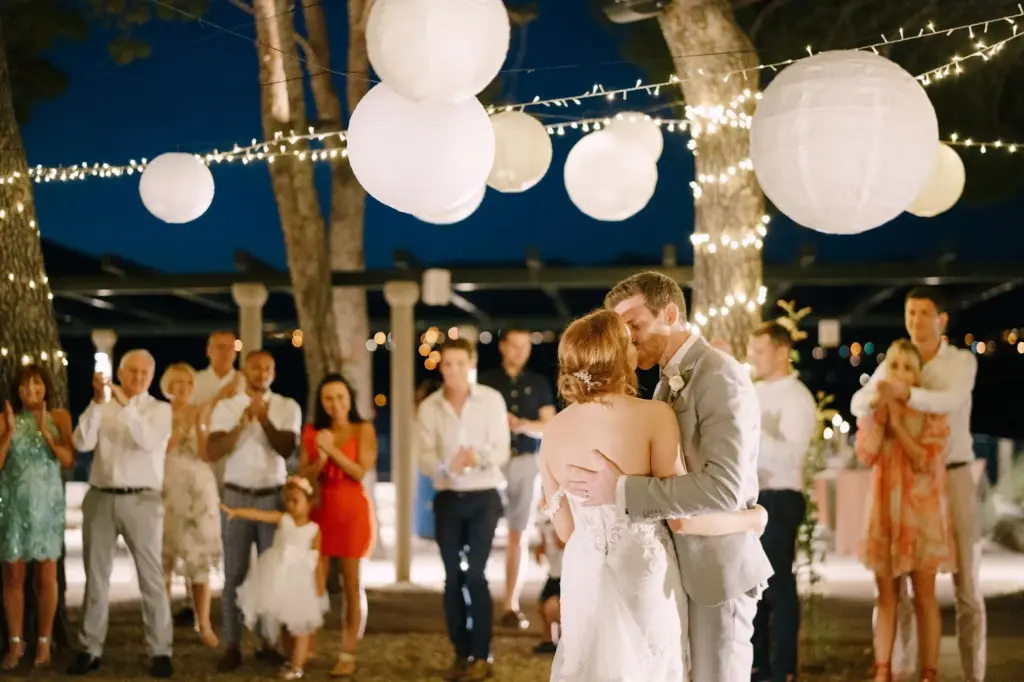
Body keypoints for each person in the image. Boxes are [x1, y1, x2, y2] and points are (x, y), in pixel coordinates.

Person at [565, 272, 774, 682]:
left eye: (635, 325)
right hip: (677, 573)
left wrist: (622, 489)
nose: (628, 338)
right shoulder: (662, 389)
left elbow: (725, 486)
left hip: (717, 571)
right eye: (621, 330)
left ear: (672, 314)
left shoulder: (720, 374)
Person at [850, 287, 985, 682]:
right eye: (910, 313)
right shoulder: (897, 361)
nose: (916, 321)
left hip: (951, 473)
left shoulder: (958, 362)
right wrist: (882, 402)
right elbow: (861, 404)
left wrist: (902, 394)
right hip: (893, 490)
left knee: (965, 588)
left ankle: (971, 673)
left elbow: (949, 402)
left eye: (924, 313)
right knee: (893, 591)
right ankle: (900, 668)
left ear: (941, 319)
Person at [67, 350, 174, 678]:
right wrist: (98, 404)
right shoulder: (104, 405)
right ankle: (90, 648)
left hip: (142, 500)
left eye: (144, 373)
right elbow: (81, 442)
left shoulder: (161, 410)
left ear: (151, 377)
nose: (138, 378)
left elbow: (146, 440)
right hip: (101, 496)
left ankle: (160, 650)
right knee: (96, 578)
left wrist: (125, 406)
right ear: (122, 373)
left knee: (151, 578)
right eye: (132, 372)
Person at [856, 340, 956, 682]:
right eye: (894, 366)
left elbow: (927, 460)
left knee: (924, 597)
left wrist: (899, 423)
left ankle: (929, 672)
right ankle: (882, 670)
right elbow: (866, 454)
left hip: (920, 516)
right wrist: (881, 419)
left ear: (917, 376)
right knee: (886, 596)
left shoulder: (931, 412)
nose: (899, 374)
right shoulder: (875, 408)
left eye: (907, 367)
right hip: (885, 512)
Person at [416, 338, 510, 682]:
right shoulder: (429, 407)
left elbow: (501, 450)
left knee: (476, 576)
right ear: (440, 367)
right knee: (452, 578)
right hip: (448, 499)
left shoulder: (491, 400)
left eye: (459, 363)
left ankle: (482, 653)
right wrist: (447, 465)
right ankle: (461, 652)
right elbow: (424, 459)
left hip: (484, 495)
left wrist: (477, 458)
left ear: (470, 364)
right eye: (447, 364)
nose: (453, 370)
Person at [208, 350, 301, 673]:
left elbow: (288, 449)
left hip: (272, 496)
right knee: (233, 574)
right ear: (244, 370)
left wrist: (264, 419)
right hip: (235, 496)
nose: (262, 373)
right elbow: (213, 450)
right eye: (256, 367)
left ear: (273, 373)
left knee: (271, 573)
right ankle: (232, 644)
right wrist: (242, 422)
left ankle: (268, 642)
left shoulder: (288, 407)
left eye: (267, 368)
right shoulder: (226, 407)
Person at [747, 322, 818, 682]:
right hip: (752, 499)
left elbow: (793, 456)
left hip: (780, 498)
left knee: (778, 587)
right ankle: (757, 664)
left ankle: (783, 667)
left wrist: (751, 437)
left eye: (759, 351)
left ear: (780, 351)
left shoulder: (797, 397)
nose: (752, 358)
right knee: (751, 585)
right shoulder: (753, 392)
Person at [299, 373, 376, 678]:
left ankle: (348, 651)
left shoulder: (363, 428)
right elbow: (305, 476)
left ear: (350, 399)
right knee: (314, 584)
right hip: (320, 511)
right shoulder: (312, 431)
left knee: (351, 584)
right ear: (321, 402)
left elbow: (359, 472)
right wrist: (319, 455)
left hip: (352, 511)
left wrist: (331, 450)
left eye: (341, 397)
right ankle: (308, 646)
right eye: (328, 398)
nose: (335, 404)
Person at [478, 330, 556, 630]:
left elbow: (548, 425)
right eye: (515, 345)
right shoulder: (486, 382)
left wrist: (523, 425)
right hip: (491, 464)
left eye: (525, 346)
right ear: (502, 347)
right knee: (482, 532)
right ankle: (480, 597)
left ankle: (510, 603)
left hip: (525, 461)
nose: (520, 351)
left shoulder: (538, 383)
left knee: (517, 534)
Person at [0, 365, 74, 670]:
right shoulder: (6, 419)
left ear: (45, 386)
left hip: (47, 507)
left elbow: (69, 460)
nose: (31, 390)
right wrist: (7, 432)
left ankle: (44, 642)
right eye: (25, 385)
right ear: (16, 390)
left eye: (37, 384)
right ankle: (16, 643)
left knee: (46, 577)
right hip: (13, 507)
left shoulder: (60, 417)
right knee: (13, 577)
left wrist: (46, 432)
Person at [223, 475, 328, 681]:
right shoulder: (284, 519)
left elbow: (318, 560)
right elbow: (260, 515)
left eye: (295, 501)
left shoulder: (314, 530)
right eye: (287, 500)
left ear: (310, 502)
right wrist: (237, 512)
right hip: (278, 578)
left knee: (300, 626)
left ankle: (297, 666)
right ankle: (290, 659)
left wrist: (320, 585)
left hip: (300, 583)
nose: (290, 505)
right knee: (285, 624)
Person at [159, 363, 223, 648]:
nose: (182, 387)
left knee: (199, 559)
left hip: (198, 488)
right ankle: (160, 625)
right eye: (177, 382)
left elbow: (205, 453)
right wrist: (178, 425)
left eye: (187, 382)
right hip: (167, 486)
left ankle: (204, 622)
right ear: (168, 385)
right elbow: (162, 449)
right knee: (164, 559)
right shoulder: (159, 413)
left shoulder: (201, 411)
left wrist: (197, 424)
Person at [531, 501, 563, 656]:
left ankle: (570, 640)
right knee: (542, 605)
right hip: (555, 571)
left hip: (566, 571)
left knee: (552, 607)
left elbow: (564, 540)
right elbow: (544, 541)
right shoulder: (543, 514)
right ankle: (549, 639)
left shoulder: (564, 509)